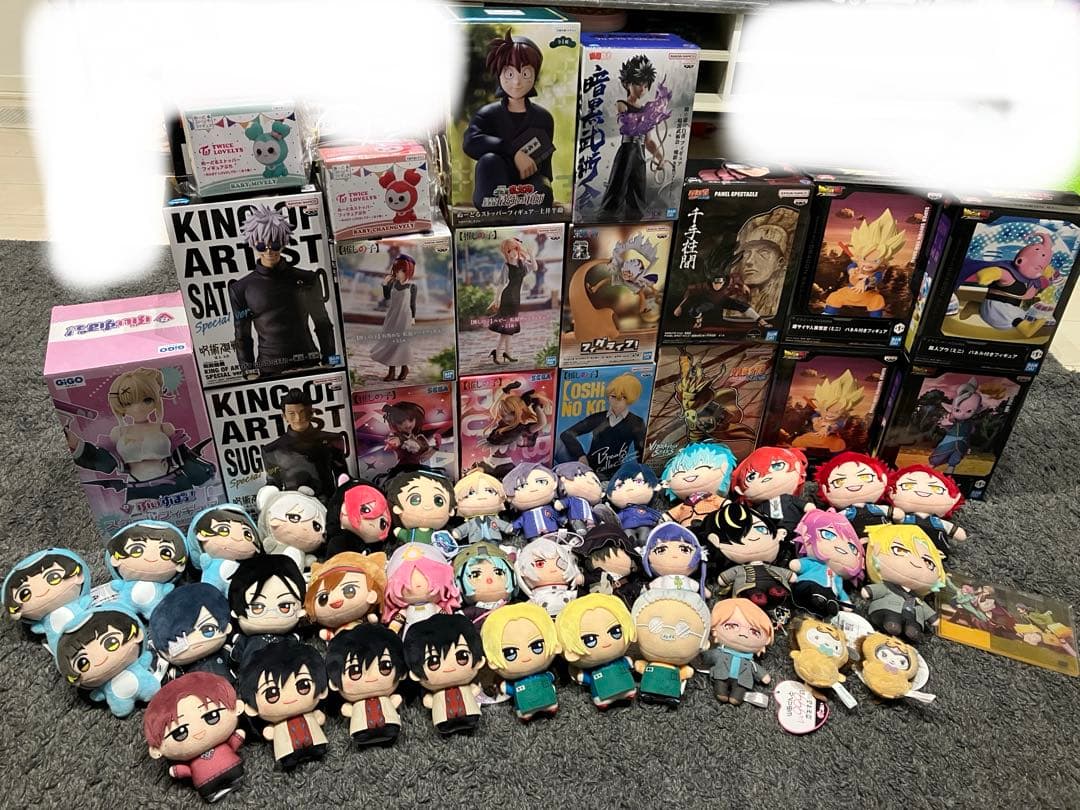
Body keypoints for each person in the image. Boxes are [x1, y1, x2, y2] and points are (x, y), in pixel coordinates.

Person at [230, 204, 337, 378]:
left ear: (284, 242)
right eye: (261, 246)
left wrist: (331, 359)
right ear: (252, 244)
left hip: (309, 363)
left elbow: (322, 322)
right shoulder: (241, 288)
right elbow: (242, 335)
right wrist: (248, 371)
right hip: (269, 369)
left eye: (275, 244)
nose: (269, 251)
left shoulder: (307, 278)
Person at [463, 31, 554, 210]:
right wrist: (513, 152)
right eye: (509, 74)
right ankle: (497, 211)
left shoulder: (543, 118)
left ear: (535, 75)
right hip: (494, 191)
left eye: (525, 73)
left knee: (542, 189)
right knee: (489, 160)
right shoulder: (488, 114)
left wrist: (545, 182)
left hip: (528, 189)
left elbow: (545, 160)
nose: (517, 82)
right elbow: (471, 142)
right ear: (499, 74)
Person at [598, 54, 671, 221]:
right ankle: (607, 217)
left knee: (638, 187)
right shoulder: (622, 104)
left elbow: (649, 141)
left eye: (646, 85)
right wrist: (650, 116)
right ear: (627, 83)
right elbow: (626, 122)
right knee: (618, 185)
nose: (642, 89)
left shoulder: (646, 110)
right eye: (638, 84)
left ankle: (634, 218)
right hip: (627, 150)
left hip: (640, 152)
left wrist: (660, 157)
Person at [261, 388, 348, 502]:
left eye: (302, 412)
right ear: (284, 416)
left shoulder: (332, 440)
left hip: (329, 505)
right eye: (292, 413)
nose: (298, 418)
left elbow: (343, 478)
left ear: (311, 412)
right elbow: (273, 485)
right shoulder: (272, 451)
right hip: (294, 508)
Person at [558, 373, 647, 478]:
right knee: (557, 443)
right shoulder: (598, 418)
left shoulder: (636, 422)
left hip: (613, 474)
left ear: (631, 398)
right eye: (613, 396)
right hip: (588, 469)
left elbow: (641, 451)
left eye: (622, 397)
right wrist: (580, 455)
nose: (616, 401)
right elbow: (567, 434)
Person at [486, 238, 535, 365]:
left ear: (518, 249)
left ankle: (500, 353)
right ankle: (504, 353)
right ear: (506, 253)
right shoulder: (506, 266)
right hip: (508, 298)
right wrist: (496, 299)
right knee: (507, 327)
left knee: (508, 328)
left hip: (516, 299)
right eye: (509, 250)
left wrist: (531, 254)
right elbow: (501, 284)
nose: (513, 252)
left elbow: (534, 267)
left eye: (515, 248)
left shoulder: (522, 263)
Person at [370, 254, 418, 382]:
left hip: (405, 317)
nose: (398, 273)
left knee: (401, 343)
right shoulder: (393, 283)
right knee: (391, 342)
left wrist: (413, 318)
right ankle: (393, 371)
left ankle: (403, 368)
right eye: (396, 270)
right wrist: (385, 284)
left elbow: (412, 304)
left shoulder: (412, 286)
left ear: (408, 271)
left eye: (401, 270)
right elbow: (387, 297)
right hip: (392, 315)